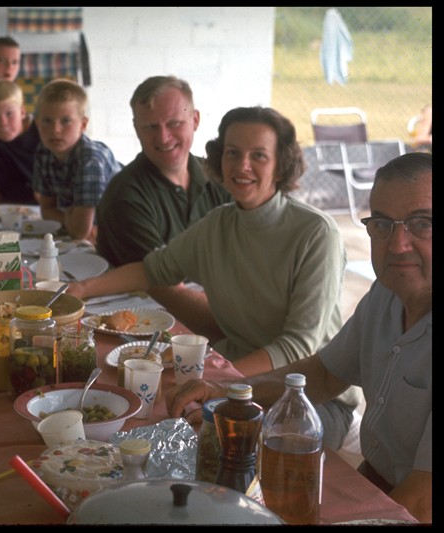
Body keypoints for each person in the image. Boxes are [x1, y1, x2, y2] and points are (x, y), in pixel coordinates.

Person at [69, 106, 363, 452]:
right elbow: (152, 270)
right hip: (232, 376)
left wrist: (220, 385)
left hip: (310, 398)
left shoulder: (316, 233)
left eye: (259, 155)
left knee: (228, 448)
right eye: (232, 153)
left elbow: (297, 345)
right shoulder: (217, 225)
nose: (242, 166)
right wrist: (79, 290)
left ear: (281, 165)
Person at [166, 152, 432, 523]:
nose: (398, 244)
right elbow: (324, 374)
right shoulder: (386, 295)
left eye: (423, 224)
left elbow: (422, 501)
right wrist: (228, 393)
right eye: (383, 224)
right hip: (376, 483)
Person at [95, 76, 232, 332]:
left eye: (174, 123)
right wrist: (245, 324)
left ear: (195, 120)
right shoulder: (126, 196)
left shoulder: (221, 178)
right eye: (150, 127)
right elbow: (166, 291)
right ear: (136, 129)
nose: (164, 137)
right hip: (160, 327)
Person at [32, 79, 122, 242]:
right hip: (91, 233)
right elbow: (46, 211)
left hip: (121, 231)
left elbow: (80, 231)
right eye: (47, 121)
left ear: (83, 125)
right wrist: (71, 218)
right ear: (37, 123)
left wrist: (69, 219)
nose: (55, 130)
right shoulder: (44, 152)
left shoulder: (90, 159)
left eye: (65, 121)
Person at [0, 79, 40, 205]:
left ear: (22, 112)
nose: (3, 123)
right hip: (17, 206)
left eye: (9, 114)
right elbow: (5, 189)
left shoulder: (43, 133)